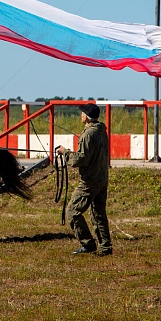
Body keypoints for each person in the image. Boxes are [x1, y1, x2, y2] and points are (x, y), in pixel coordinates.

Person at [55, 103, 112, 256]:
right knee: (98, 214)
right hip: (102, 178)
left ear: (86, 117)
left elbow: (81, 159)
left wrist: (65, 152)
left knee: (72, 211)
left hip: (89, 181)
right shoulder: (102, 132)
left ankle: (87, 243)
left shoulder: (88, 134)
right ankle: (105, 247)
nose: (80, 115)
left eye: (82, 113)